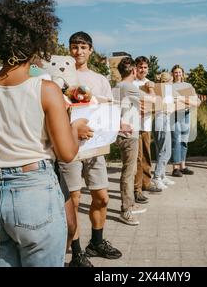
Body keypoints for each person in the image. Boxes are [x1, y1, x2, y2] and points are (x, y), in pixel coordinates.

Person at [0, 0, 87, 267]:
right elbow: (67, 153)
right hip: (33, 194)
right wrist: (76, 126)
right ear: (36, 44)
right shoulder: (46, 89)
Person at [57, 32, 121, 267]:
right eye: (74, 47)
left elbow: (107, 108)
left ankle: (97, 242)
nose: (78, 52)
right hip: (70, 148)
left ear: (91, 50)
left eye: (83, 47)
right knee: (73, 200)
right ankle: (76, 253)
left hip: (95, 148)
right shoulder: (60, 77)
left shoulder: (100, 79)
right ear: (69, 49)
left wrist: (115, 125)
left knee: (102, 198)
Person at [115, 57, 149, 225]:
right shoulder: (129, 87)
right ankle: (126, 209)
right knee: (128, 173)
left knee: (131, 169)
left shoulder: (118, 86)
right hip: (129, 136)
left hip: (124, 134)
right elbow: (151, 100)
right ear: (134, 71)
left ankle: (129, 204)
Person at [133, 56, 162, 202]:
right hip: (134, 126)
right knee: (137, 159)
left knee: (146, 155)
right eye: (140, 67)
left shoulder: (150, 84)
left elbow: (157, 104)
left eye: (145, 67)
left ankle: (146, 183)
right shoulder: (131, 83)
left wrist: (151, 91)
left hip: (146, 124)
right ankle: (136, 189)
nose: (142, 70)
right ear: (135, 68)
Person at [171, 65, 200, 177]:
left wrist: (183, 100)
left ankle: (183, 166)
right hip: (174, 114)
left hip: (186, 114)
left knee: (184, 141)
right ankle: (175, 168)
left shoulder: (188, 86)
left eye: (179, 72)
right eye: (176, 72)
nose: (178, 74)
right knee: (176, 141)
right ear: (172, 74)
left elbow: (195, 99)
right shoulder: (170, 86)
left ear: (183, 73)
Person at [152, 72, 176, 188]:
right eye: (171, 80)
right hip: (162, 120)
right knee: (165, 151)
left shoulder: (164, 91)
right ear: (167, 81)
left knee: (165, 150)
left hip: (163, 120)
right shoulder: (164, 91)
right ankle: (157, 177)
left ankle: (162, 176)